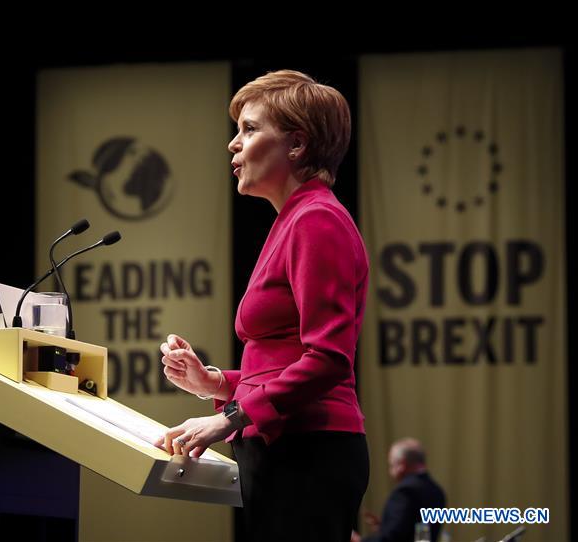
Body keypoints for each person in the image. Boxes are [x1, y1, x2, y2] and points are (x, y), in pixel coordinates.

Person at [155, 69, 370, 541]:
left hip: (308, 450)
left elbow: (329, 360)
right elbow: (283, 362)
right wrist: (213, 382)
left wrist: (228, 417)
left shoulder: (317, 221)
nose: (234, 144)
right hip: (285, 449)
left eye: (250, 130)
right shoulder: (293, 221)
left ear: (296, 145)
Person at [352, 438, 447, 542]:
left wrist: (359, 540)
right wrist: (385, 527)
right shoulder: (437, 491)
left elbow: (391, 538)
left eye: (391, 465)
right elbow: (421, 532)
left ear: (401, 465)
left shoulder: (404, 492)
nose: (390, 471)